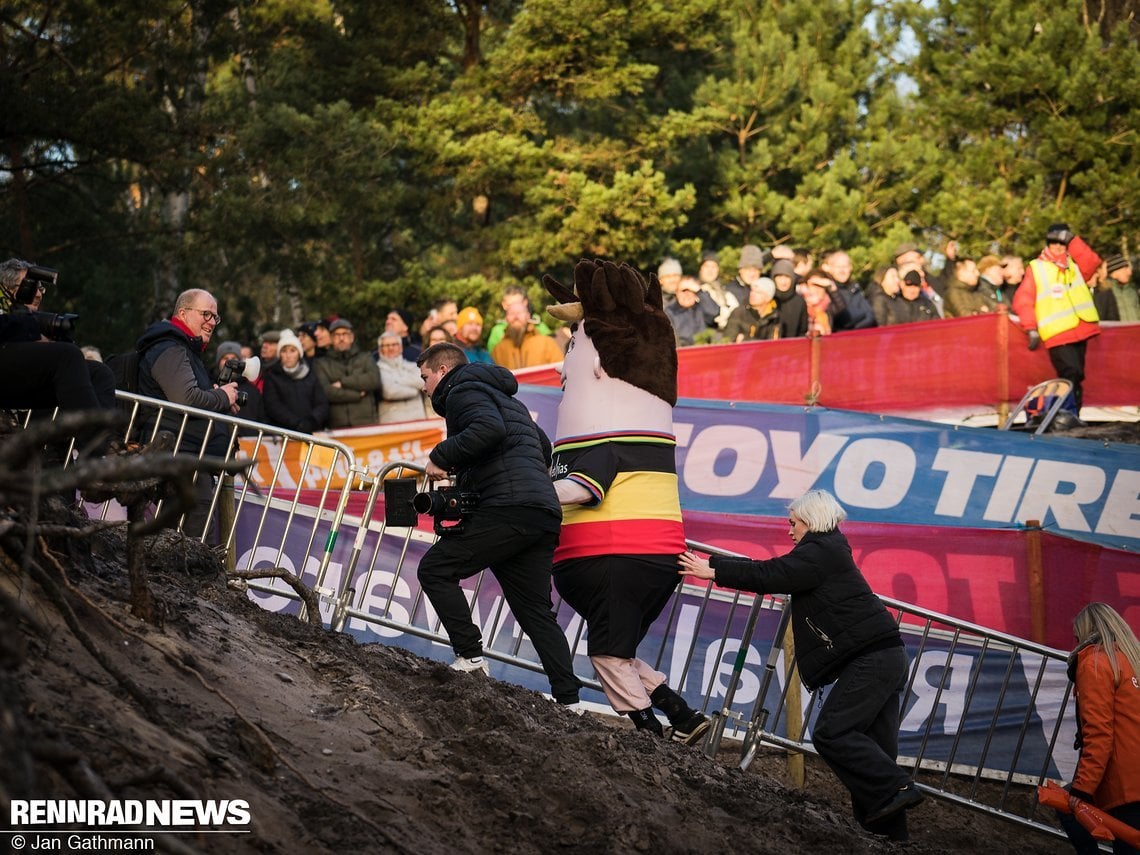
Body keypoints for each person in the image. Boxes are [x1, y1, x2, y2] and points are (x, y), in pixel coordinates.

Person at [678, 489, 922, 841]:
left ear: (811, 520)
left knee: (832, 733)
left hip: (870, 659)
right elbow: (771, 569)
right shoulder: (826, 552)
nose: (789, 530)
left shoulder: (819, 553)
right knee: (874, 753)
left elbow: (768, 576)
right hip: (884, 656)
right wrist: (715, 566)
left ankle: (897, 790)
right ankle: (891, 837)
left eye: (793, 523)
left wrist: (712, 570)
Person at [542, 258, 709, 743]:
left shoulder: (608, 437)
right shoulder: (633, 434)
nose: (560, 364)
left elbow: (583, 489)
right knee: (623, 651)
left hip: (618, 553)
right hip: (640, 555)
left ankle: (646, 731)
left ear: (599, 360)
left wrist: (522, 494)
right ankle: (683, 715)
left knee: (606, 655)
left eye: (572, 344)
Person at [414, 342, 581, 707]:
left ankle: (471, 657)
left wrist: (442, 456)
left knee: (435, 569)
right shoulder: (505, 397)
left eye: (425, 377)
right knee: (534, 611)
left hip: (509, 508)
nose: (424, 387)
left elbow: (488, 429)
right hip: (542, 511)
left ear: (442, 371)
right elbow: (542, 446)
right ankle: (569, 700)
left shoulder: (461, 390)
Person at [135, 288, 240, 539]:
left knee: (192, 529)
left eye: (215, 317)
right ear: (183, 313)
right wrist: (222, 396)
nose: (212, 322)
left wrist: (216, 397)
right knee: (192, 534)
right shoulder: (170, 346)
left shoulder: (183, 348)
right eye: (206, 314)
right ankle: (183, 576)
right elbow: (187, 399)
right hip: (178, 452)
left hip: (187, 452)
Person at [0, 258, 117, 456]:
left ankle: (101, 445)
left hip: (21, 383)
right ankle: (98, 450)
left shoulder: (28, 320)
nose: (37, 293)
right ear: (6, 288)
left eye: (40, 288)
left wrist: (53, 334)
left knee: (98, 372)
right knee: (67, 356)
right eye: (29, 286)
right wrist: (33, 327)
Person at [1058, 602, 1140, 854]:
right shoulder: (1131, 661)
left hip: (1126, 784)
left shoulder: (1095, 663)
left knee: (1068, 807)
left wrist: (1083, 789)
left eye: (1076, 636)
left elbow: (1099, 733)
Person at [1012, 223, 1101, 419]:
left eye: (1063, 242)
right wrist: (1030, 327)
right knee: (1071, 374)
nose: (1059, 246)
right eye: (1055, 242)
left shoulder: (1074, 264)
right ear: (1048, 243)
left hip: (1081, 328)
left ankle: (1073, 416)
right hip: (1057, 333)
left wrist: (1073, 239)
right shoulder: (1037, 267)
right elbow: (1023, 299)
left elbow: (1093, 261)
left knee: (1076, 377)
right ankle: (1066, 416)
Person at [314, 318, 381, 429]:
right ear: (331, 338)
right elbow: (326, 392)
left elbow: (373, 380)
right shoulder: (321, 364)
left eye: (345, 334)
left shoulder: (365, 358)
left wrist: (343, 382)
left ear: (352, 337)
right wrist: (357, 395)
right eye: (337, 335)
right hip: (337, 426)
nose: (341, 338)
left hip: (366, 423)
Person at [261, 328, 328, 434]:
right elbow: (273, 406)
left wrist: (311, 421)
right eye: (284, 351)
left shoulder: (310, 374)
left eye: (292, 350)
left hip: (312, 432)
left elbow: (321, 403)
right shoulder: (272, 376)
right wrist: (297, 423)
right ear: (280, 354)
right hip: (284, 434)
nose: (288, 355)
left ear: (299, 353)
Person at [490, 301, 563, 369]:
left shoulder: (546, 343)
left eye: (519, 313)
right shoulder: (498, 350)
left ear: (528, 316)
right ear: (506, 318)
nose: (516, 317)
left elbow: (560, 370)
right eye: (512, 313)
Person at [213, 339, 265, 430]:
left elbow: (262, 418)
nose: (229, 362)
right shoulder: (210, 385)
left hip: (247, 441)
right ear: (218, 361)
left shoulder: (252, 391)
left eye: (234, 359)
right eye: (225, 358)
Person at [376, 331, 427, 423]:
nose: (391, 348)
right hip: (392, 423)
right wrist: (416, 391)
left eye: (394, 344)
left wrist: (396, 381)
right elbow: (389, 392)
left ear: (400, 348)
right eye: (386, 345)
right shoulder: (377, 369)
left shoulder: (413, 366)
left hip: (418, 420)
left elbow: (423, 382)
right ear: (380, 350)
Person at [485, 285, 552, 352]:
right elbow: (492, 358)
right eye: (510, 305)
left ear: (525, 303)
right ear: (504, 305)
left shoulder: (540, 328)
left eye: (518, 305)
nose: (515, 312)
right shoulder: (497, 331)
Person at [822, 250, 876, 331]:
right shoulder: (829, 290)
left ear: (850, 268)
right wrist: (861, 315)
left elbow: (870, 315)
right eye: (838, 267)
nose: (842, 271)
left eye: (845, 267)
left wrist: (855, 326)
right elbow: (844, 320)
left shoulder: (855, 288)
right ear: (831, 269)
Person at [663, 276, 718, 346]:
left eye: (691, 291)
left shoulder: (701, 309)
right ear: (676, 293)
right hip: (682, 352)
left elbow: (714, 312)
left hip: (704, 349)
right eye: (683, 291)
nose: (687, 294)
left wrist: (699, 291)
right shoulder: (669, 312)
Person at [723, 276, 780, 342]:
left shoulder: (774, 317)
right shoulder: (739, 312)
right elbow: (728, 340)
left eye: (758, 292)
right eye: (752, 290)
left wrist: (745, 339)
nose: (753, 294)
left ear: (768, 297)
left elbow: (773, 345)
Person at [697, 250, 739, 332]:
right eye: (706, 266)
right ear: (701, 269)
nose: (710, 270)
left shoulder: (726, 294)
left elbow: (736, 313)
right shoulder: (694, 291)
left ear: (718, 270)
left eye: (713, 267)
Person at [770, 258, 808, 338]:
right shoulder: (767, 299)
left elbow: (803, 330)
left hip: (793, 347)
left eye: (787, 277)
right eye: (779, 277)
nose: (783, 282)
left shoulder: (799, 302)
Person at [1105, 255, 1139, 323]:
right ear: (1114, 273)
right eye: (1125, 269)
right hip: (1119, 332)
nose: (1129, 273)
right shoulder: (1106, 293)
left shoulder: (1132, 290)